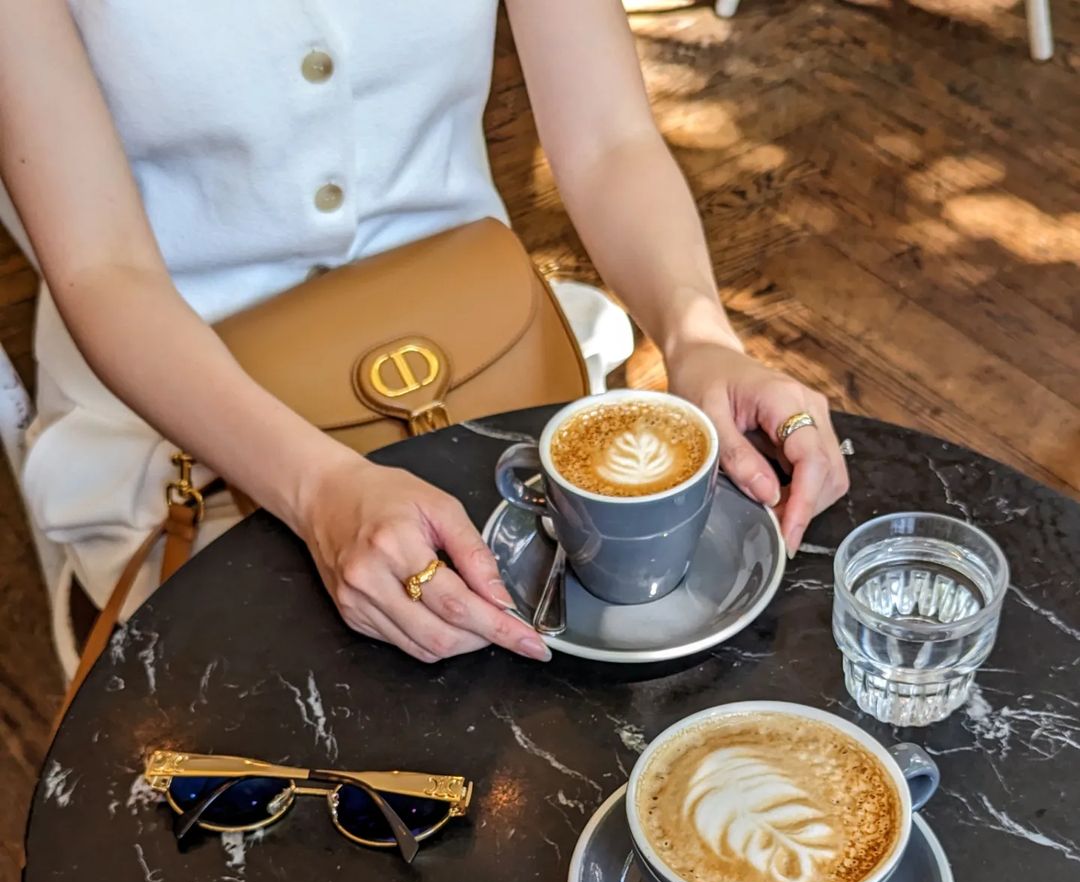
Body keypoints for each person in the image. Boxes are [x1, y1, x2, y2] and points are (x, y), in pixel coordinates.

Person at [0, 0, 849, 667]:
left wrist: (699, 336)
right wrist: (318, 491)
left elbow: (607, 140)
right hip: (189, 425)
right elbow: (103, 270)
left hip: (486, 363)